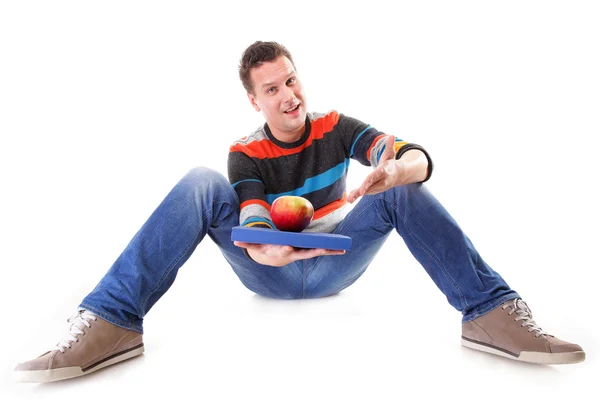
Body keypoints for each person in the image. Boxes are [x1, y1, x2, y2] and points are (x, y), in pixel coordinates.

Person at [14, 41, 585, 383]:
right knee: (199, 182)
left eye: (292, 80)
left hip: (340, 259)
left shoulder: (336, 127)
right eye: (272, 89)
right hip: (269, 267)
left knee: (402, 189)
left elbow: (411, 155)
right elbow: (253, 209)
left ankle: (491, 311)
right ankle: (111, 322)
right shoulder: (246, 150)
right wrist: (261, 244)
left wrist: (395, 171)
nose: (289, 95)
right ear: (254, 100)